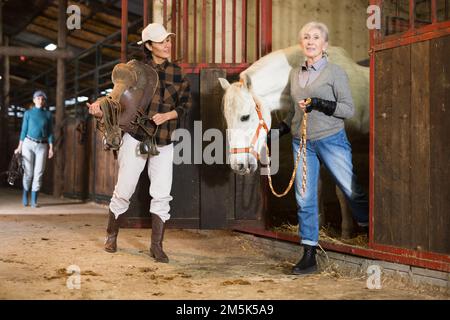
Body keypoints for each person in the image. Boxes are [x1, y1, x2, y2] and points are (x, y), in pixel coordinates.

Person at [87, 23, 192, 263]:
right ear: (148, 45)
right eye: (161, 41)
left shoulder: (178, 73)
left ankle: (157, 246)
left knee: (162, 194)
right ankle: (111, 235)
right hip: (135, 137)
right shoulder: (133, 70)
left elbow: (186, 105)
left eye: (168, 39)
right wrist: (99, 111)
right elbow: (115, 102)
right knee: (124, 190)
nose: (167, 44)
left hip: (164, 140)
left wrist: (168, 115)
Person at [276, 22, 369, 275]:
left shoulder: (335, 72)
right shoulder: (295, 73)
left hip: (331, 138)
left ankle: (368, 226)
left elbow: (347, 109)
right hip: (302, 142)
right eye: (306, 36)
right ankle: (308, 254)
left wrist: (320, 104)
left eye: (316, 37)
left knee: (351, 189)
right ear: (302, 43)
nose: (310, 40)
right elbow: (294, 111)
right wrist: (280, 130)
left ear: (324, 44)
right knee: (304, 198)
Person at [14, 90, 54, 208]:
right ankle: (25, 194)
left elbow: (51, 132)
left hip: (42, 145)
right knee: (29, 172)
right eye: (38, 98)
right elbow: (24, 130)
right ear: (34, 100)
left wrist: (51, 147)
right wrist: (19, 147)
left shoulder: (48, 115)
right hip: (28, 143)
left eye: (42, 99)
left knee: (39, 172)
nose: (40, 101)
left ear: (44, 101)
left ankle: (34, 200)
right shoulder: (28, 113)